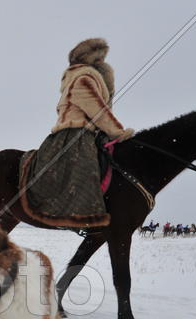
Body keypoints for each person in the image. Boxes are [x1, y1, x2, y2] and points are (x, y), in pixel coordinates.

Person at [28, 38, 133, 225]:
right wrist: (117, 131)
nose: (102, 61)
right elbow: (97, 110)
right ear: (87, 59)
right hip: (75, 133)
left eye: (103, 57)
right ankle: (80, 216)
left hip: (90, 132)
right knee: (85, 169)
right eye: (97, 57)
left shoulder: (91, 79)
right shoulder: (83, 79)